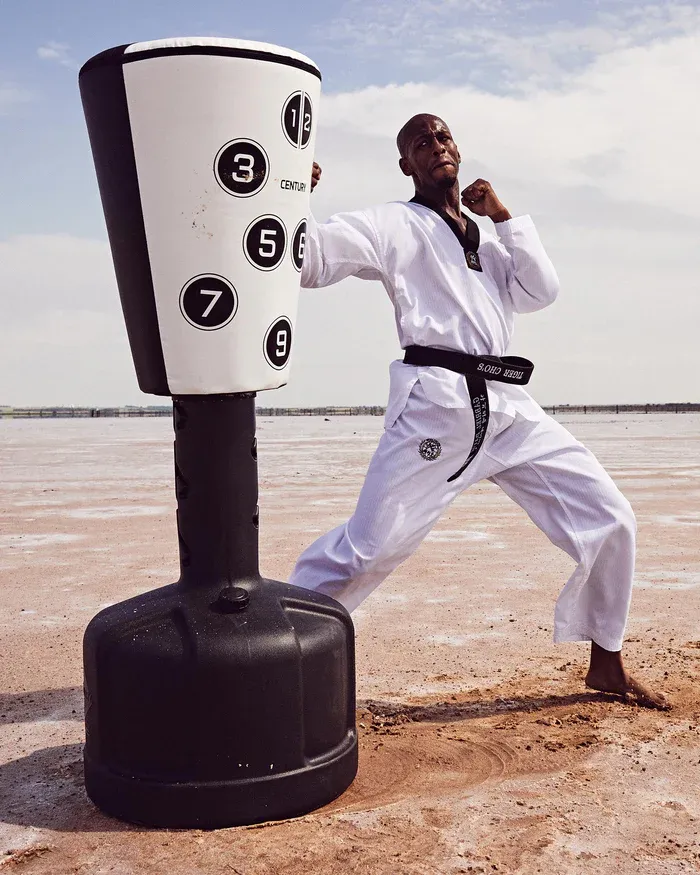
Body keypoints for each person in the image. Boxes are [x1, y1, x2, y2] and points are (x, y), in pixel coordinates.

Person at [289, 113, 668, 709]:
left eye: (443, 137)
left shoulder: (488, 242)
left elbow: (540, 292)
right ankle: (276, 642)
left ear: (457, 149)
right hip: (436, 407)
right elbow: (309, 261)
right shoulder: (393, 223)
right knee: (370, 548)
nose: (436, 146)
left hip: (508, 407)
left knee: (611, 517)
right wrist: (292, 195)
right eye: (421, 143)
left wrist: (504, 218)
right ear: (406, 164)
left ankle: (607, 663)